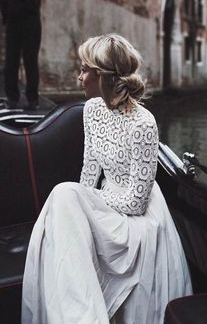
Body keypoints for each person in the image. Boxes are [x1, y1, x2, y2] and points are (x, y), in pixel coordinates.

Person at [22, 33, 192, 324]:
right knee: (66, 197)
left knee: (65, 194)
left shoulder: (143, 124)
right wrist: (87, 206)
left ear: (103, 77)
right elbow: (89, 173)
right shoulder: (92, 110)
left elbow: (137, 203)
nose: (79, 77)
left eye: (85, 69)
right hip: (106, 205)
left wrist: (93, 200)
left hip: (140, 220)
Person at [0, 0, 42, 109]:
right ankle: (16, 98)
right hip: (16, 21)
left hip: (29, 20)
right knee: (13, 61)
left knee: (29, 61)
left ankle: (31, 99)